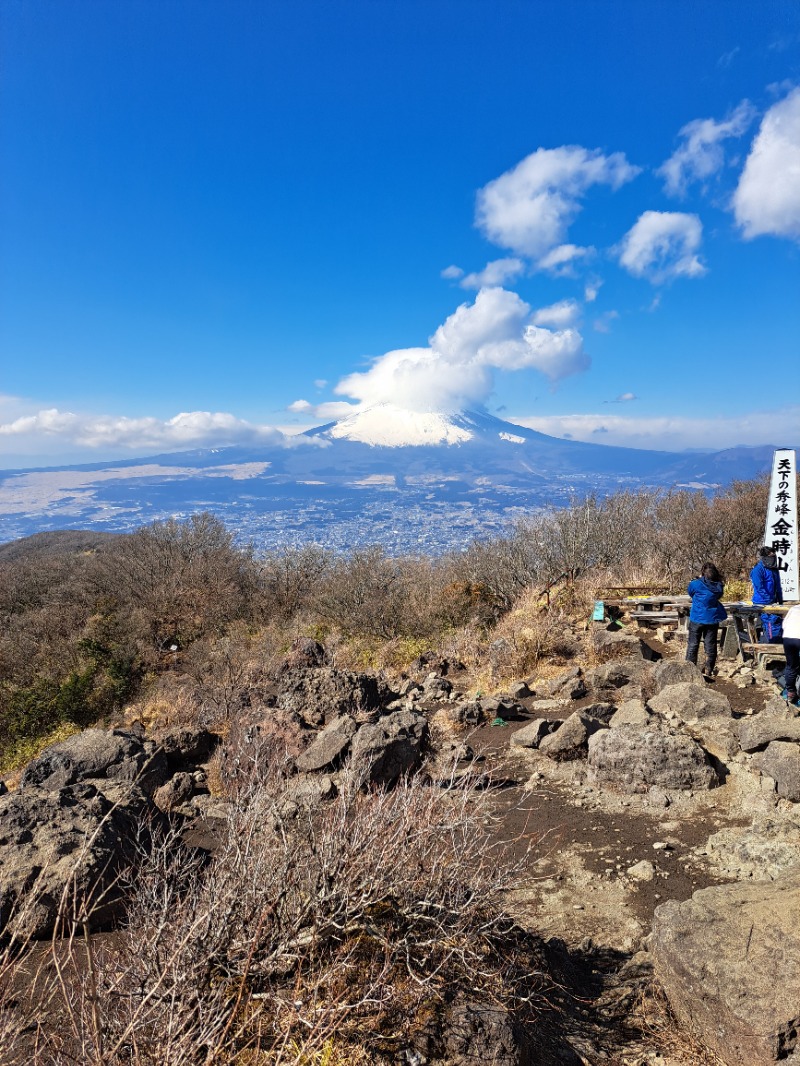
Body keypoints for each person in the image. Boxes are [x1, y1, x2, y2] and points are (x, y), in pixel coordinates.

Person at [686, 562, 727, 679]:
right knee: (710, 644)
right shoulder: (719, 586)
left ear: (703, 572)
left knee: (693, 644)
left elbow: (690, 592)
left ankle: (689, 669)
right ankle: (709, 669)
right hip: (712, 619)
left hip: (697, 617)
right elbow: (718, 595)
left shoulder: (695, 584)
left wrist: (699, 579)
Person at [751, 546, 784, 642]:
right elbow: (759, 588)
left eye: (774, 556)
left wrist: (780, 602)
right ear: (764, 557)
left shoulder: (774, 569)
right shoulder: (758, 570)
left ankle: (776, 643)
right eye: (771, 556)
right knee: (771, 622)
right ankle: (771, 644)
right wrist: (769, 602)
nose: (773, 558)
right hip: (761, 602)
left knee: (778, 622)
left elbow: (778, 587)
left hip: (773, 603)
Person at [783, 603, 800, 708]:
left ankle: (790, 692)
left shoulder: (794, 608)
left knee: (791, 665)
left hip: (788, 637)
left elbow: (784, 624)